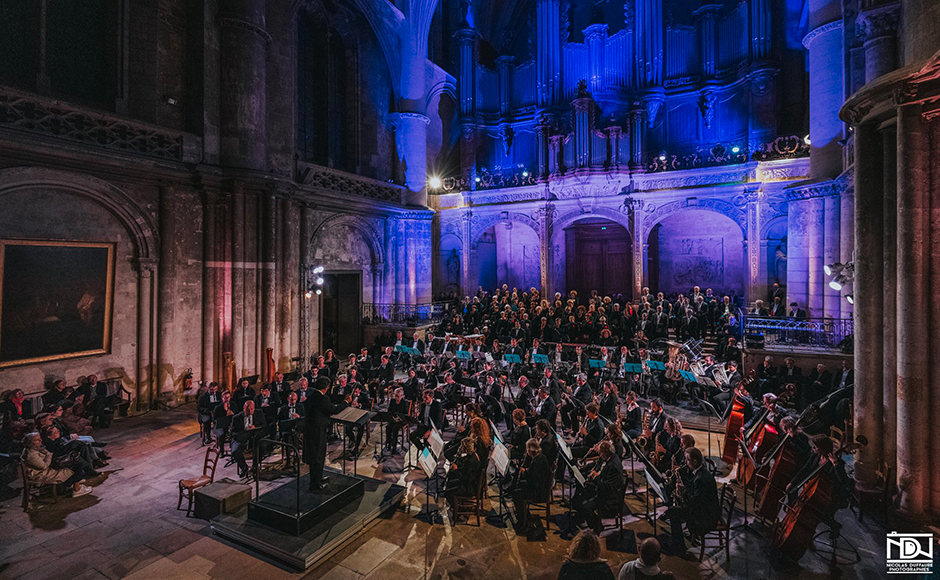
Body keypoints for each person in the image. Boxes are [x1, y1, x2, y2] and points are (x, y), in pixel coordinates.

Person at [664, 447, 719, 554]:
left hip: (704, 517)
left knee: (672, 512)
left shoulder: (700, 479)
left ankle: (678, 547)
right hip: (705, 508)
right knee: (676, 507)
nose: (685, 462)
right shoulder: (701, 471)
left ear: (695, 461)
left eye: (687, 460)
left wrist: (682, 490)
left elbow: (695, 503)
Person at [571, 441, 624, 534]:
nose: (599, 454)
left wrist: (596, 477)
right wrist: (588, 472)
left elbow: (608, 487)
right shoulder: (605, 457)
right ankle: (580, 516)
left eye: (600, 452)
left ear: (605, 452)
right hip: (600, 489)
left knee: (586, 506)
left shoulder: (614, 466)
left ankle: (597, 525)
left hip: (609, 498)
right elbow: (597, 466)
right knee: (580, 493)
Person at [22, 431, 92, 498]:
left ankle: (72, 483)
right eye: (36, 440)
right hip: (42, 474)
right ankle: (76, 490)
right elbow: (44, 466)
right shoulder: (32, 455)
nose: (40, 441)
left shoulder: (35, 449)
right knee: (76, 465)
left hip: (45, 469)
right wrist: (49, 455)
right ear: (30, 443)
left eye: (40, 438)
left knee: (74, 460)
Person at [304, 376, 341, 490]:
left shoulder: (310, 397)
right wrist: (345, 402)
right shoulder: (322, 398)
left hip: (310, 431)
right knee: (318, 456)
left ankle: (318, 478)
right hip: (318, 432)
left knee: (316, 456)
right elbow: (334, 410)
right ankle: (315, 484)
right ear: (326, 388)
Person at [512, 438, 552, 534]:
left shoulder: (537, 462)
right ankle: (523, 514)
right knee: (519, 487)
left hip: (539, 493)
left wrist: (524, 472)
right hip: (541, 488)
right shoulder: (541, 457)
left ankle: (523, 521)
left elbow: (533, 482)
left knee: (516, 493)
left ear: (530, 450)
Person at [443, 437, 482, 520]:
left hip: (469, 488)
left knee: (447, 493)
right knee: (450, 483)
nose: (460, 448)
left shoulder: (470, 462)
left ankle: (458, 511)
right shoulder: (473, 455)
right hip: (469, 483)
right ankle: (458, 506)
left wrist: (456, 470)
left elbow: (464, 479)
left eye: (461, 446)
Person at [231, 400, 266, 479]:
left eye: (252, 409)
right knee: (235, 451)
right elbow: (232, 433)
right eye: (248, 409)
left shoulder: (259, 413)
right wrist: (242, 433)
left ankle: (255, 466)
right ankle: (244, 467)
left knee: (262, 446)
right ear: (244, 409)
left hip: (254, 437)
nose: (250, 411)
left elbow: (264, 427)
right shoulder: (236, 418)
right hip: (241, 439)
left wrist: (255, 428)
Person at [386, 386, 410, 453]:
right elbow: (389, 411)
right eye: (395, 396)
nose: (397, 398)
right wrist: (393, 417)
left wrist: (399, 419)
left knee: (395, 428)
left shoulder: (404, 403)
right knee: (388, 427)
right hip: (393, 419)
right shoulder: (392, 401)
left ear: (402, 396)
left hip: (401, 421)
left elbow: (405, 414)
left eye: (398, 396)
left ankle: (394, 446)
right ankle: (389, 443)